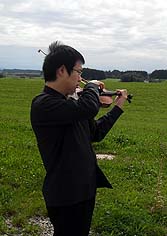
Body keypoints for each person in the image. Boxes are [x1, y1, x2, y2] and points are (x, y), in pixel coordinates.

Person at [30, 41, 128, 236]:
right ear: (61, 71)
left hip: (84, 189)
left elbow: (95, 133)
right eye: (79, 72)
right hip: (65, 193)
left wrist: (117, 108)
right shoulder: (44, 104)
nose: (80, 78)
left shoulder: (69, 104)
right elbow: (87, 108)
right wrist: (91, 87)